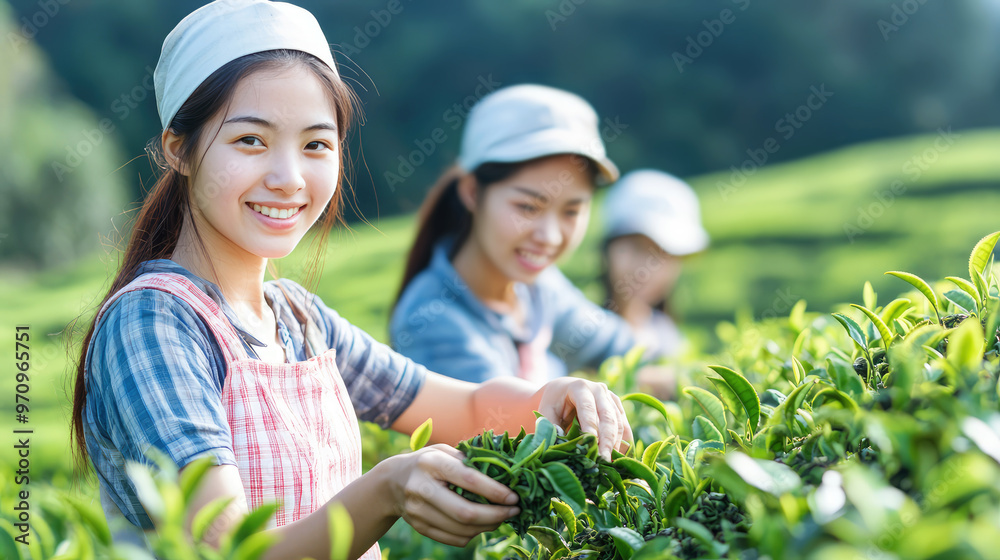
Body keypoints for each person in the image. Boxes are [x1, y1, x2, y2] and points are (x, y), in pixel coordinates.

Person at [70, 3, 630, 559]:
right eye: (251, 141)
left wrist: (547, 399)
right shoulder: (152, 323)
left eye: (316, 144)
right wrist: (384, 490)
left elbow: (465, 409)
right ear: (179, 149)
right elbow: (237, 552)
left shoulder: (298, 318)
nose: (289, 179)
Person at [390, 84, 638, 384]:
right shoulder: (432, 320)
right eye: (528, 207)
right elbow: (503, 426)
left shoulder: (539, 289)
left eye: (571, 211)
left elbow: (623, 349)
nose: (550, 237)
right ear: (472, 192)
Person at [600, 169, 709, 359]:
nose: (649, 269)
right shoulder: (578, 325)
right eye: (638, 248)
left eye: (666, 255)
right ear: (609, 247)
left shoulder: (669, 336)